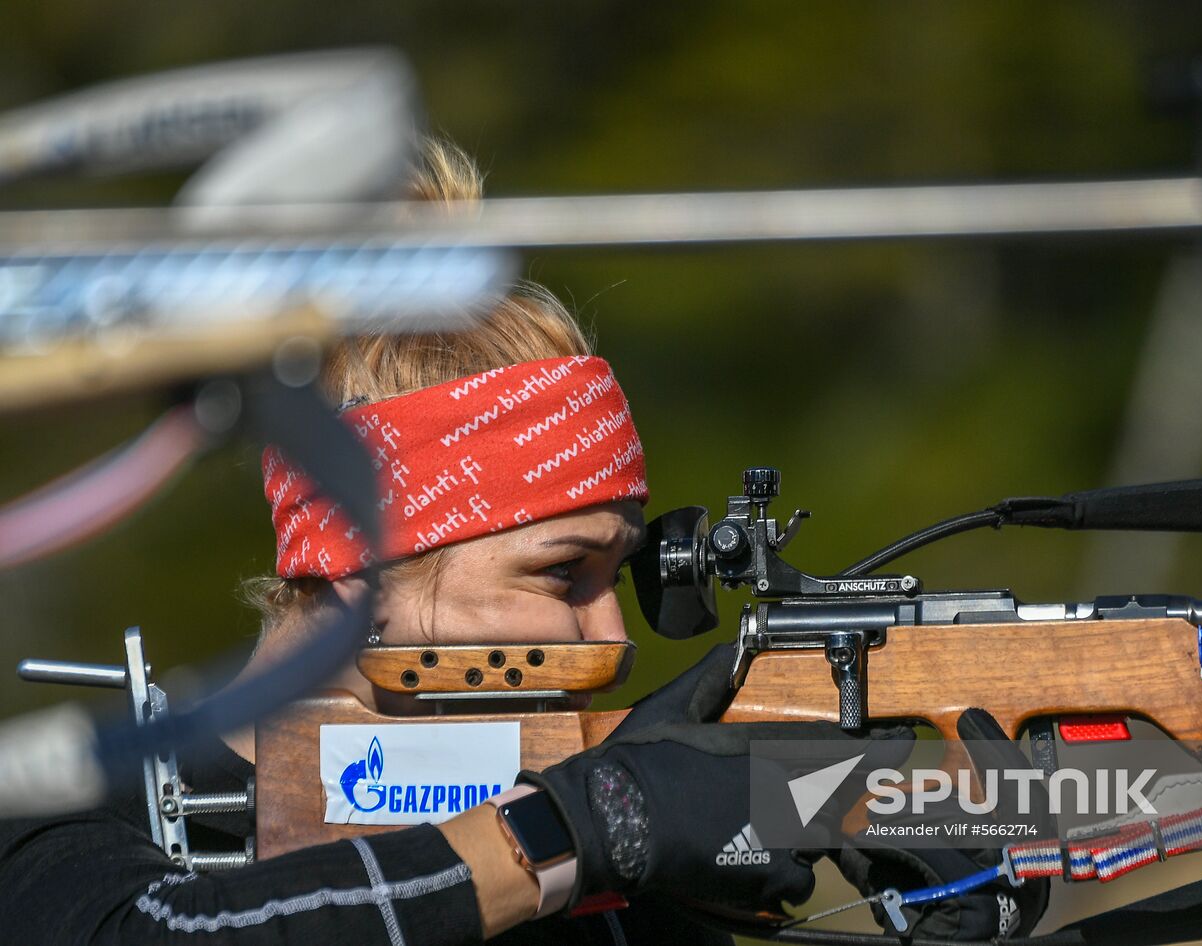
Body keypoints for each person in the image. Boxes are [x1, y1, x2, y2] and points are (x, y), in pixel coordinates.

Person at [0, 137, 913, 945]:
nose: (613, 640)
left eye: (618, 575)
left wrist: (913, 813)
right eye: (561, 577)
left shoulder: (606, 838)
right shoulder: (62, 807)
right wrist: (582, 831)